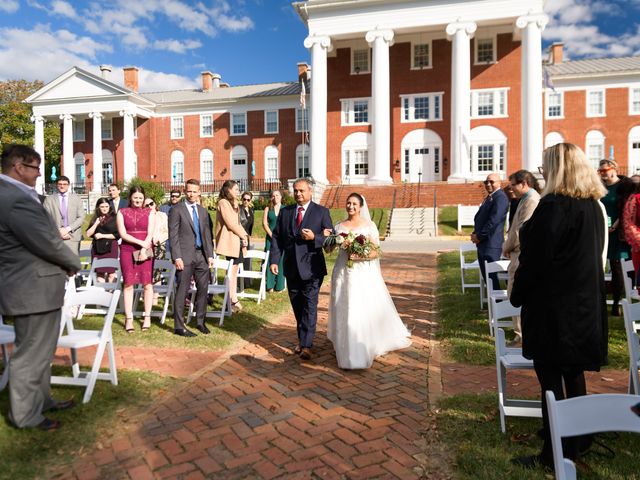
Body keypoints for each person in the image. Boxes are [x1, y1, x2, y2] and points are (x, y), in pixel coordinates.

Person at [511, 143, 608, 470]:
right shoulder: (592, 206)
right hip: (583, 307)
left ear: (557, 169)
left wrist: (517, 293)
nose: (542, 173)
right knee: (574, 372)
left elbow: (535, 260)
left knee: (551, 380)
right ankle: (578, 438)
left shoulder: (554, 207)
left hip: (554, 308)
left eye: (545, 167)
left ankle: (554, 453)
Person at [0, 144, 81, 431]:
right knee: (30, 354)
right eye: (35, 168)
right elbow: (46, 241)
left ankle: (41, 401)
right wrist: (75, 263)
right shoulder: (13, 198)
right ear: (18, 167)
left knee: (41, 352)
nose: (39, 174)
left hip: (37, 287)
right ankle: (24, 415)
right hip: (30, 287)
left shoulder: (17, 195)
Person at [326, 193, 411, 369]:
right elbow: (329, 250)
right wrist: (329, 239)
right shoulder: (339, 225)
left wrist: (359, 256)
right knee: (343, 305)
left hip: (361, 273)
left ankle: (357, 350)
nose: (350, 206)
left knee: (357, 308)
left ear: (361, 206)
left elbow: (375, 252)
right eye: (348, 203)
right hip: (342, 271)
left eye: (354, 204)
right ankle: (344, 343)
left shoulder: (369, 226)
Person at [269, 178, 333, 360]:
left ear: (311, 192)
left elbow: (331, 239)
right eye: (296, 191)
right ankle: (303, 338)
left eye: (302, 191)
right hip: (291, 268)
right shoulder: (286, 212)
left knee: (309, 306)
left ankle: (306, 345)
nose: (298, 194)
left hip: (312, 268)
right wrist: (274, 260)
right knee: (297, 305)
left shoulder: (321, 212)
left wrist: (315, 237)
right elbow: (277, 238)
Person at [169, 179, 215, 336]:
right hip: (184, 256)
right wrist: (177, 257)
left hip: (201, 255)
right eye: (189, 191)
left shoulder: (203, 211)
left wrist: (210, 255)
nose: (192, 194)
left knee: (203, 289)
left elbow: (207, 235)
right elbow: (173, 235)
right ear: (184, 191)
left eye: (195, 191)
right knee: (182, 290)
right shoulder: (177, 209)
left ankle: (201, 322)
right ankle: (179, 327)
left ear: (199, 192)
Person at [502, 170, 540, 346]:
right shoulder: (524, 200)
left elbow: (520, 230)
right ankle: (520, 333)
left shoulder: (531, 200)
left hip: (521, 254)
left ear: (524, 183)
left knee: (515, 293)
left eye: (513, 186)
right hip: (517, 253)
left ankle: (522, 335)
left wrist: (507, 246)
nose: (511, 190)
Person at [117, 186, 156, 333]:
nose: (138, 200)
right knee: (128, 283)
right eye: (135, 197)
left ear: (143, 198)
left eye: (140, 198)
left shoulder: (150, 212)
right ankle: (129, 318)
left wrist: (144, 247)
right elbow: (122, 233)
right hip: (127, 249)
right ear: (130, 198)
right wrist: (140, 244)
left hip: (146, 248)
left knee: (147, 284)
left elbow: (150, 233)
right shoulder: (122, 212)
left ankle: (147, 316)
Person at [598, 159, 632, 316]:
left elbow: (627, 207)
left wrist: (617, 223)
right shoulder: (600, 187)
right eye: (600, 171)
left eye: (605, 170)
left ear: (614, 169)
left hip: (618, 232)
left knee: (617, 266)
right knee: (600, 265)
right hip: (603, 230)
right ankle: (600, 300)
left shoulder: (624, 187)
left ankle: (617, 303)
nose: (603, 174)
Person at [215, 180, 249, 313]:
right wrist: (242, 236)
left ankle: (233, 298)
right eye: (235, 189)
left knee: (234, 271)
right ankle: (230, 300)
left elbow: (238, 223)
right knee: (230, 271)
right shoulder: (223, 203)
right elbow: (230, 223)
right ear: (228, 190)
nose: (238, 191)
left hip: (237, 241)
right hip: (229, 241)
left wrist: (244, 237)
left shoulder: (234, 203)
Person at [471, 173, 509, 290]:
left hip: (491, 244)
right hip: (484, 243)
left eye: (491, 182)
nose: (488, 184)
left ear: (499, 183)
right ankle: (493, 306)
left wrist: (479, 236)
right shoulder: (491, 197)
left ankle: (498, 305)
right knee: (488, 278)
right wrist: (474, 233)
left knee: (492, 278)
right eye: (486, 182)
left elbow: (493, 221)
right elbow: (483, 218)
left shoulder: (500, 198)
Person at [43, 175, 84, 255]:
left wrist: (67, 229)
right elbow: (45, 217)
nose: (62, 186)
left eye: (64, 184)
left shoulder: (76, 199)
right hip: (55, 236)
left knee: (72, 264)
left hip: (73, 237)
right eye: (60, 184)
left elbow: (81, 217)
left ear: (68, 185)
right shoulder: (49, 199)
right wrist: (58, 231)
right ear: (56, 185)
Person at [86, 198, 119, 283]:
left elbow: (117, 235)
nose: (104, 208)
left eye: (106, 206)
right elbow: (88, 234)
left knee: (111, 273)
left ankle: (111, 293)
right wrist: (96, 223)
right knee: (99, 273)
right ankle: (101, 293)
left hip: (111, 248)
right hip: (97, 248)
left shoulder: (115, 218)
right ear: (98, 207)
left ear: (109, 207)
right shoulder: (95, 218)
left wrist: (102, 235)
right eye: (102, 206)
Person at [263, 189, 286, 292]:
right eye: (273, 195)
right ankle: (270, 285)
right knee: (269, 260)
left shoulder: (285, 209)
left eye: (277, 195)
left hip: (282, 239)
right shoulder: (268, 209)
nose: (275, 197)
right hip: (270, 238)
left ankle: (280, 286)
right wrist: (272, 235)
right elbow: (264, 224)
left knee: (281, 261)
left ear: (281, 197)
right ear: (271, 197)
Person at [238, 191, 255, 290]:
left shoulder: (252, 210)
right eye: (244, 199)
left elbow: (250, 225)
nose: (246, 201)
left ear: (250, 200)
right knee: (240, 259)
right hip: (240, 237)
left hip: (247, 237)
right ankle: (238, 283)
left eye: (248, 199)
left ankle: (246, 282)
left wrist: (249, 237)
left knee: (246, 260)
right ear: (241, 199)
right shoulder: (238, 210)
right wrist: (242, 237)